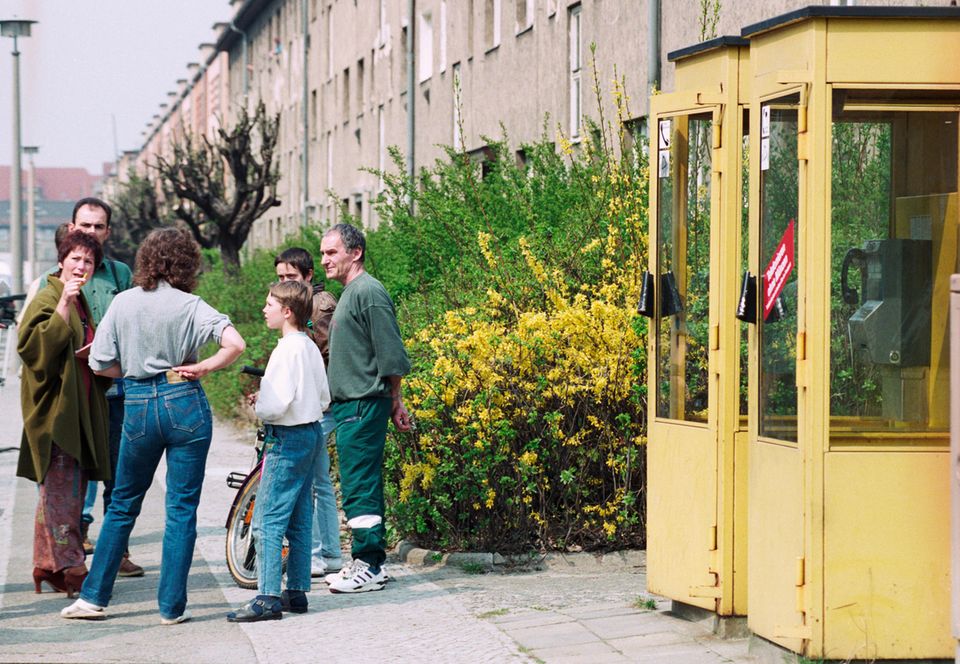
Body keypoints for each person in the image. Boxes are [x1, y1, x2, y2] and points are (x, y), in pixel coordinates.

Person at [61, 228, 246, 623]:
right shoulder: (192, 304)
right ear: (186, 263)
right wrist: (203, 366)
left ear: (146, 260)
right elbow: (236, 344)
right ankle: (171, 608)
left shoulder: (123, 303)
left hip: (139, 403)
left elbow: (99, 364)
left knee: (124, 503)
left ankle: (93, 598)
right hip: (185, 402)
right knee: (181, 508)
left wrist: (129, 370)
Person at [33, 199, 140, 574]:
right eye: (85, 225)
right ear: (71, 226)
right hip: (72, 396)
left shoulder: (120, 274)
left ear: (108, 232)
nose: (91, 232)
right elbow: (35, 344)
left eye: (98, 226)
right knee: (69, 477)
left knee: (118, 474)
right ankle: (65, 554)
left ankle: (116, 552)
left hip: (114, 390)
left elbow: (133, 321)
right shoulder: (52, 279)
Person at [227, 280, 330, 622]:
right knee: (300, 517)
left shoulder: (285, 350)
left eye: (269, 304)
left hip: (286, 438)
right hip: (311, 433)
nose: (264, 309)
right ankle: (296, 591)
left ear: (287, 311)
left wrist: (262, 403)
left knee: (267, 519)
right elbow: (323, 398)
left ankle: (267, 596)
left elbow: (276, 405)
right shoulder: (310, 346)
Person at [17, 231, 112, 597]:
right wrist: (62, 306)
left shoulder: (82, 299)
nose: (82, 267)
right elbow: (33, 347)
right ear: (61, 261)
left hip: (79, 406)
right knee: (63, 492)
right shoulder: (50, 296)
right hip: (56, 412)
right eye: (75, 259)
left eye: (88, 262)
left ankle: (45, 563)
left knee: (65, 488)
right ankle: (73, 565)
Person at [319, 223, 412, 594]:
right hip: (351, 405)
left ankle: (370, 564)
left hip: (362, 404)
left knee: (360, 486)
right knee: (358, 485)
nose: (324, 259)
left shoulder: (368, 292)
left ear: (354, 253)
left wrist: (395, 399)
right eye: (323, 253)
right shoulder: (350, 293)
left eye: (331, 252)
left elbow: (390, 353)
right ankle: (366, 563)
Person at [274, 247, 343, 577]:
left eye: (292, 277)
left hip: (318, 406)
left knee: (311, 482)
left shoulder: (319, 305)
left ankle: (317, 553)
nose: (286, 282)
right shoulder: (305, 306)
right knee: (320, 481)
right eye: (281, 278)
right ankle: (329, 553)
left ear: (308, 276)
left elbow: (326, 354)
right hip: (317, 403)